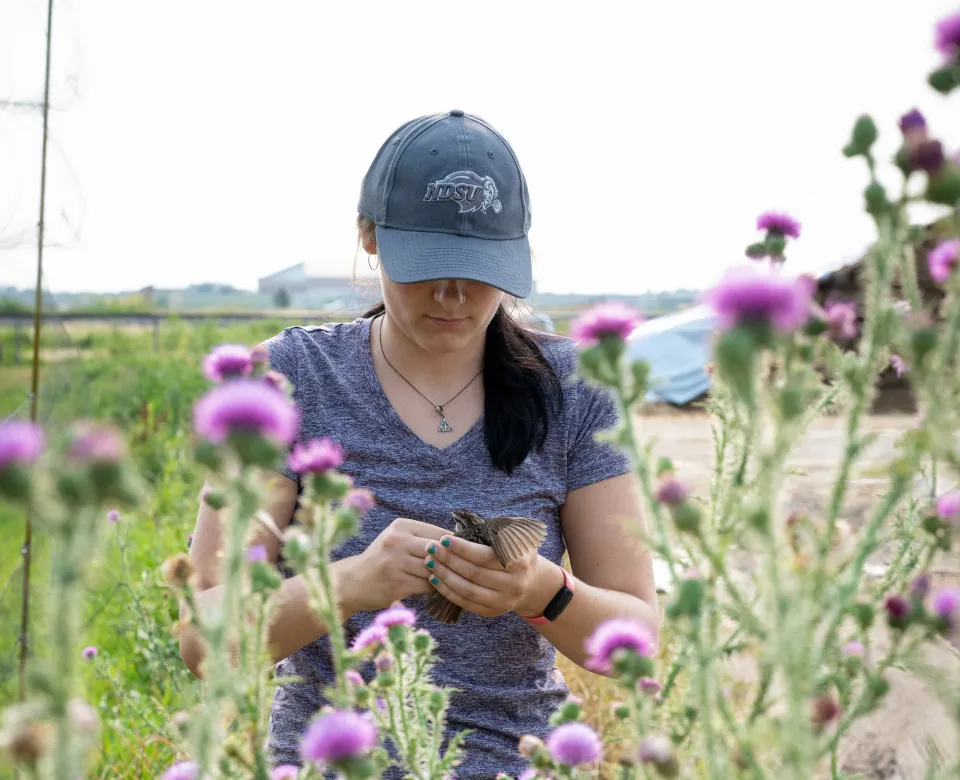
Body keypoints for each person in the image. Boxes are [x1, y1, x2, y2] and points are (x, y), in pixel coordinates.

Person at [179, 110, 659, 778]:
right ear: (368, 238)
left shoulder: (574, 390)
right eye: (428, 265)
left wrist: (540, 590)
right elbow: (204, 639)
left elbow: (640, 638)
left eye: (479, 268)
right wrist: (346, 584)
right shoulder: (286, 382)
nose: (454, 293)